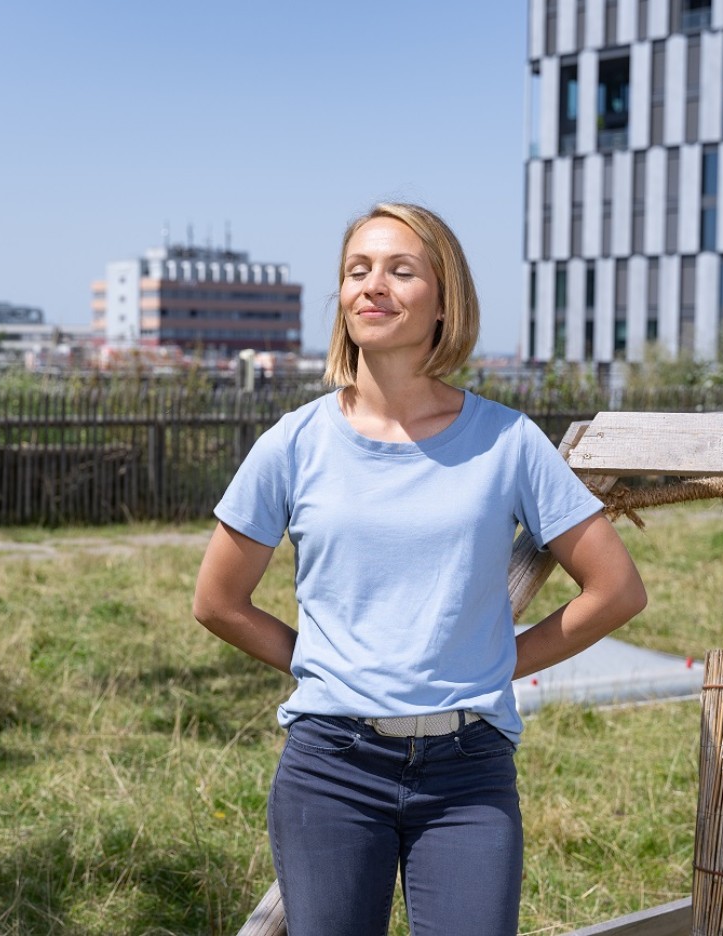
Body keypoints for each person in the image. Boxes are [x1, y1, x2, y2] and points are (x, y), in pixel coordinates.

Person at [192, 202, 646, 936]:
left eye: (401, 270)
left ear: (445, 301)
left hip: (469, 775)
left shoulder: (508, 442)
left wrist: (500, 661)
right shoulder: (292, 444)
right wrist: (324, 668)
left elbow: (617, 589)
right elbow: (217, 602)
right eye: (357, 270)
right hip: (331, 769)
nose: (373, 286)